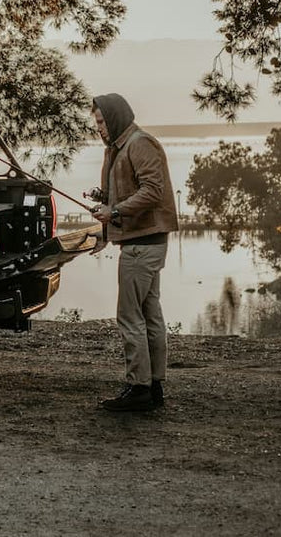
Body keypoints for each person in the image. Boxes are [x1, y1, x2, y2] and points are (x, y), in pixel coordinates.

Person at [89, 94, 179, 412]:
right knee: (149, 313)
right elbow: (128, 190)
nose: (99, 128)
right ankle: (153, 387)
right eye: (96, 123)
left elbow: (153, 191)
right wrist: (105, 203)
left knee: (129, 315)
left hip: (144, 244)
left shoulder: (140, 144)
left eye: (102, 121)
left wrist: (114, 211)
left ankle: (139, 387)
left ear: (115, 117)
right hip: (140, 242)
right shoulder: (118, 148)